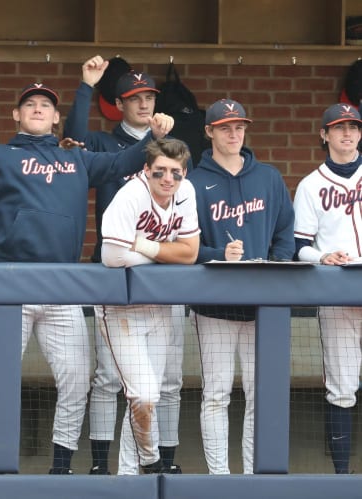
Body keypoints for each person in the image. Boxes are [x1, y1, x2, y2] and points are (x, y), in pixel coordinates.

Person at [0, 82, 160, 474]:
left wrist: (157, 137)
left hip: (63, 284)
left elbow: (124, 163)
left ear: (57, 117)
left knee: (76, 379)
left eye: (45, 104)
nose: (38, 108)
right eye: (29, 104)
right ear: (16, 115)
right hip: (10, 284)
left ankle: (61, 464)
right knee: (0, 379)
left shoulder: (77, 159)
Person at [63, 55, 185, 475]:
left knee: (161, 381)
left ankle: (150, 464)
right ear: (119, 103)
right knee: (109, 378)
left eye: (149, 95)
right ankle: (101, 463)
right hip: (116, 268)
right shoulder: (102, 142)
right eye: (135, 97)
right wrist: (85, 86)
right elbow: (72, 141)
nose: (144, 102)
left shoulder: (171, 147)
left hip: (160, 273)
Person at [186, 99, 295, 474]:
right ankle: (219, 478)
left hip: (260, 303)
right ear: (209, 132)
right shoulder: (193, 182)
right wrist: (218, 252)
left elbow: (285, 234)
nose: (233, 134)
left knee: (259, 394)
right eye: (224, 127)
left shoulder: (268, 177)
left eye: (239, 127)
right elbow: (185, 245)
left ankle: (252, 474)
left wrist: (277, 266)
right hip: (212, 303)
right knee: (216, 394)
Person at [99, 138, 199, 474]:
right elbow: (112, 257)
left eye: (175, 173)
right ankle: (151, 460)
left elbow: (190, 253)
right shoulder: (131, 195)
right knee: (143, 395)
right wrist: (164, 255)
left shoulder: (186, 193)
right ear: (146, 170)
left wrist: (143, 245)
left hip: (159, 307)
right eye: (160, 172)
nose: (168, 179)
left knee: (145, 400)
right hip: (121, 308)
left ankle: (131, 476)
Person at [293, 103, 362, 474]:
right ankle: (341, 478)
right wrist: (321, 256)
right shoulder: (310, 185)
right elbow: (298, 245)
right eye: (339, 128)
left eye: (353, 126)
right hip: (338, 295)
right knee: (341, 388)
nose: (347, 133)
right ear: (324, 135)